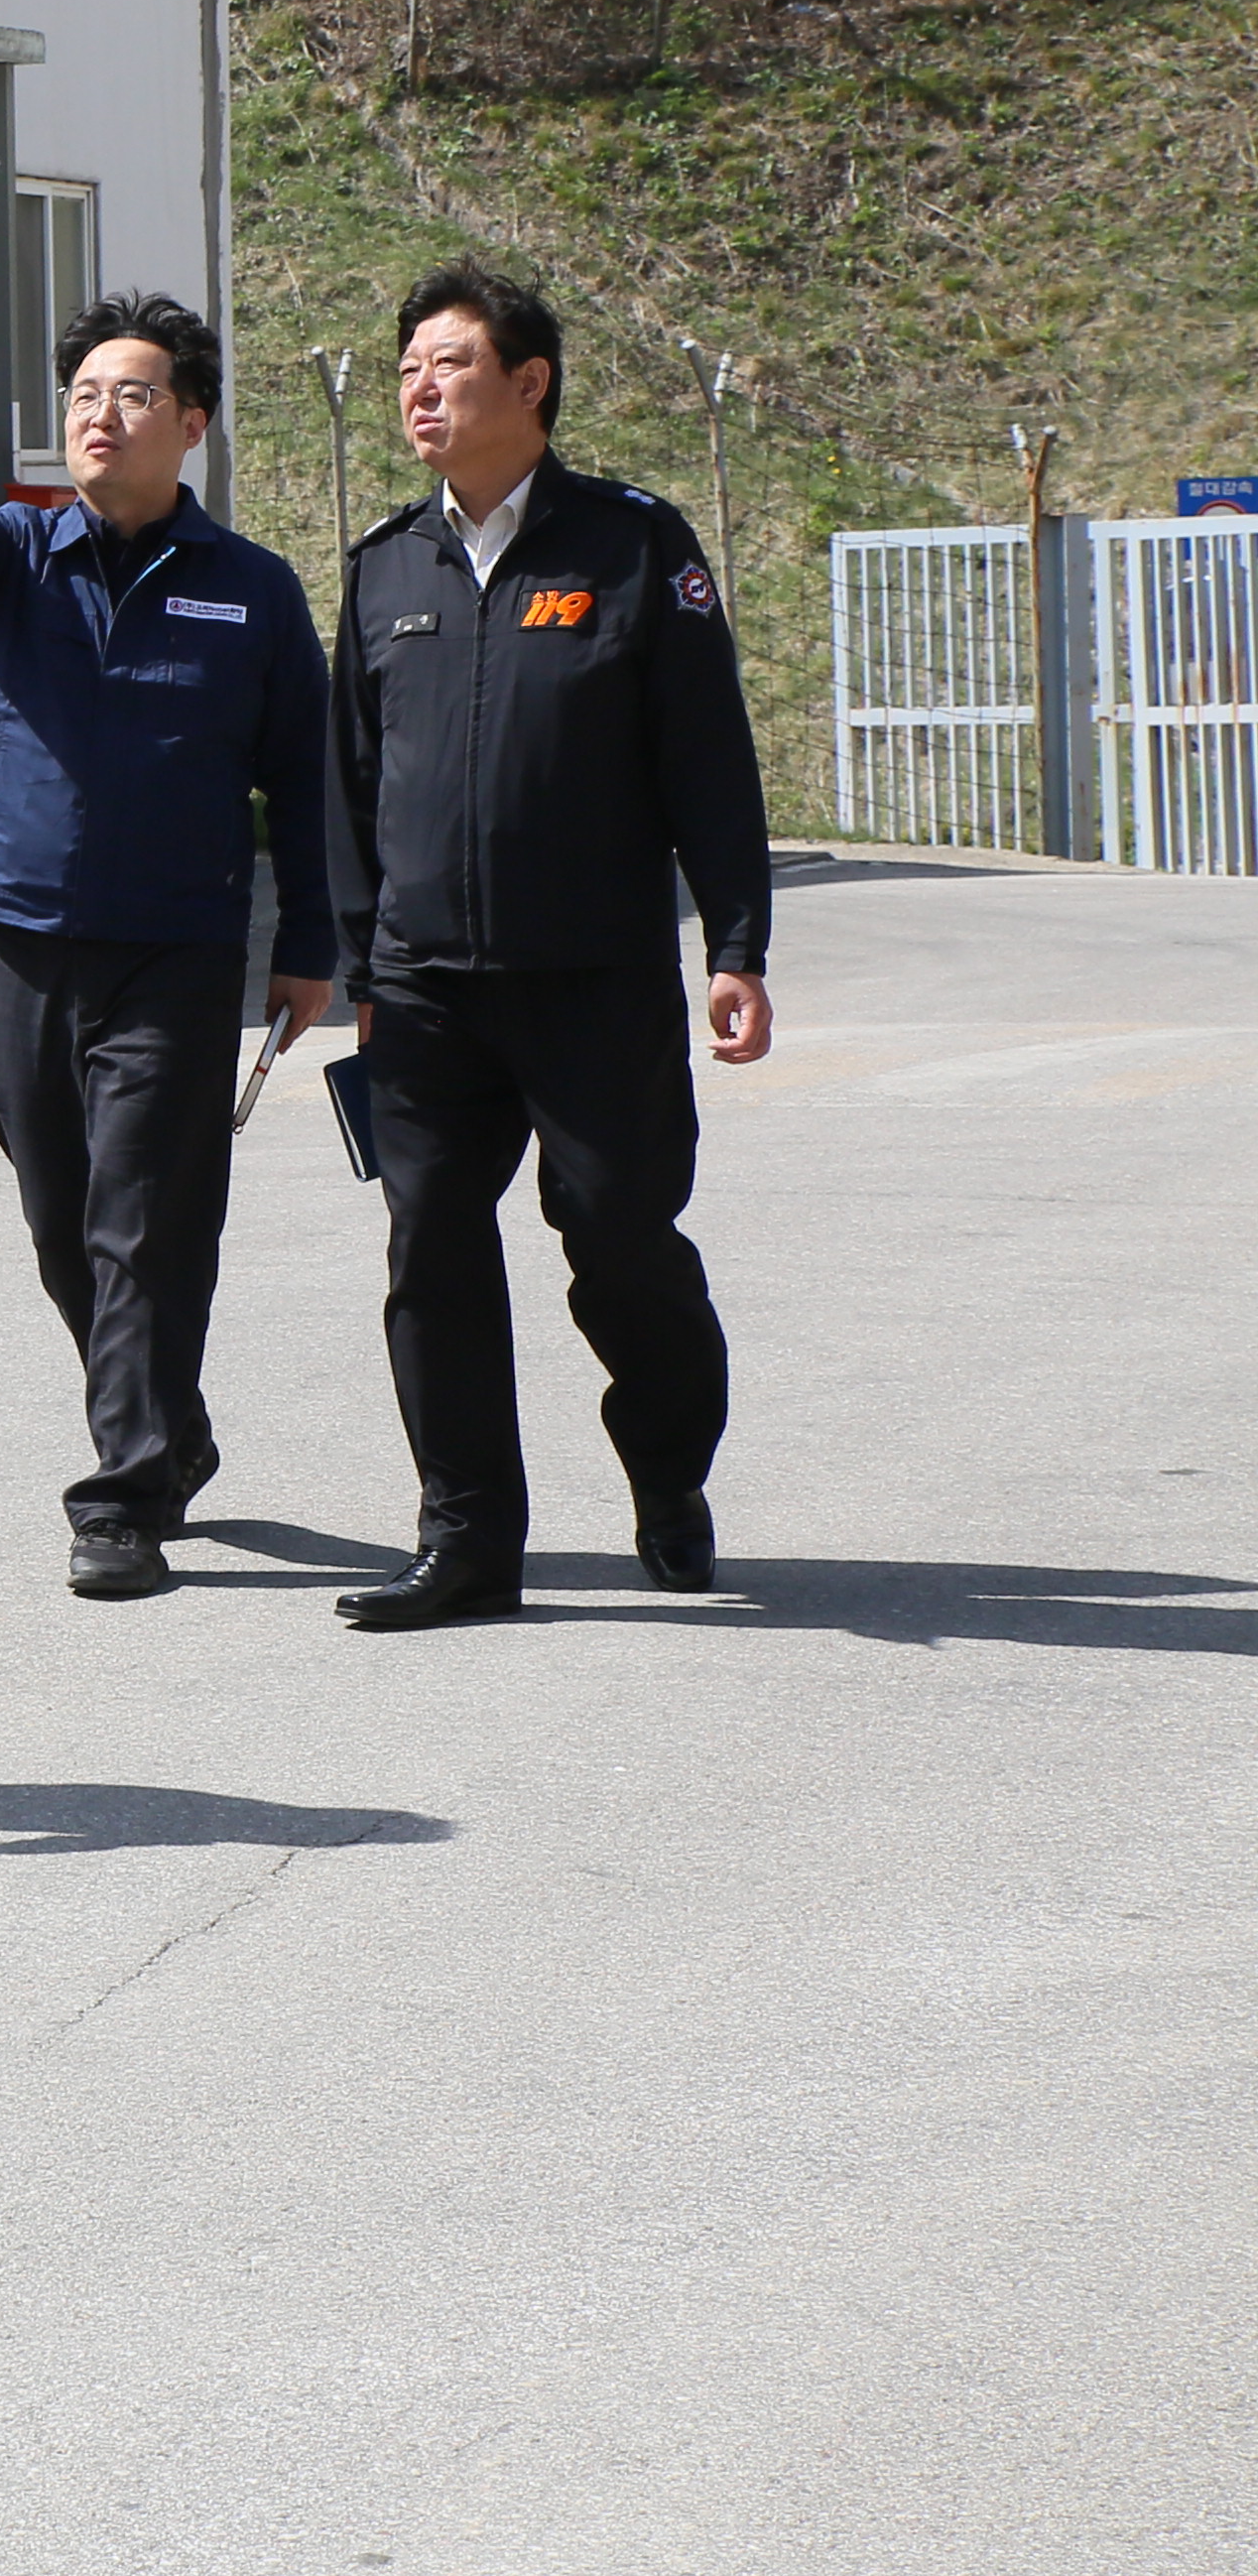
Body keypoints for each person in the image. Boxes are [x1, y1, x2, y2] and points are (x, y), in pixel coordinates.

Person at [0, 294, 333, 1602]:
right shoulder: (14, 556)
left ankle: (122, 1498)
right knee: (64, 1220)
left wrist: (313, 943)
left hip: (176, 951)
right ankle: (169, 1424)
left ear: (192, 423)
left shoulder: (252, 591)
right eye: (83, 397)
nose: (100, 416)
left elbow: (305, 779)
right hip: (22, 941)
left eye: (131, 394)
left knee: (146, 1223)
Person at [325, 261, 777, 1632]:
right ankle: (466, 1540)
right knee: (431, 1250)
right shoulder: (385, 564)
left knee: (622, 1243)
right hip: (426, 988)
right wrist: (359, 966)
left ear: (530, 383)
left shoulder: (630, 546)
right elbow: (351, 784)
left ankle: (668, 1474)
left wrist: (737, 943)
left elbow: (707, 758)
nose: (421, 389)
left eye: (450, 364)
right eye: (408, 368)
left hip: (594, 982)